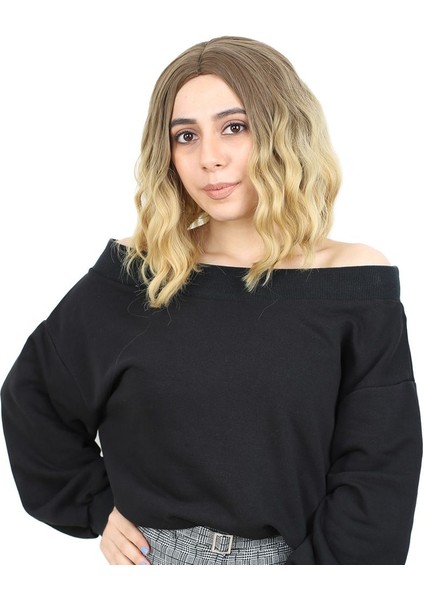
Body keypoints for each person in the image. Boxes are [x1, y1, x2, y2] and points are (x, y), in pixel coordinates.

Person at [1, 36, 422, 566]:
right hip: (156, 560)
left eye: (234, 127)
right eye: (185, 136)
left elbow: (379, 468)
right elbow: (33, 398)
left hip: (297, 564)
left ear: (283, 129)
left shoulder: (353, 281)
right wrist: (95, 505)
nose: (210, 159)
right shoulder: (140, 273)